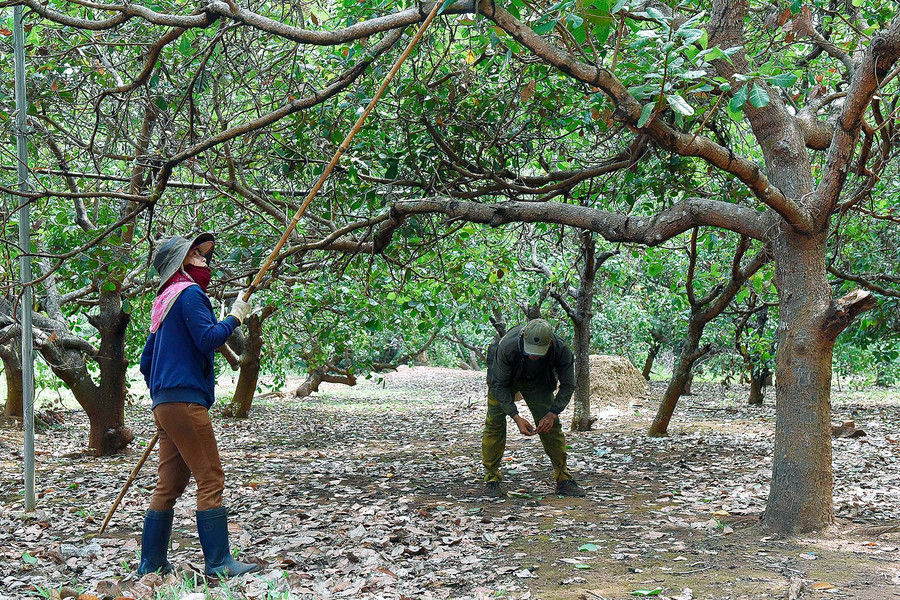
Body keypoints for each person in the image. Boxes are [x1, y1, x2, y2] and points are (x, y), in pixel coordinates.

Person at [137, 232, 259, 578]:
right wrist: (235, 317)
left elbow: (147, 362)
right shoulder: (189, 294)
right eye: (195, 253)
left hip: (167, 402)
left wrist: (164, 397)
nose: (204, 258)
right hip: (184, 401)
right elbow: (208, 339)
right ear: (180, 263)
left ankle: (152, 563)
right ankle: (219, 563)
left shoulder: (163, 302)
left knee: (170, 485)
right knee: (210, 478)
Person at [482, 318, 586, 497]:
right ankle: (492, 479)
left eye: (538, 353)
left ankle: (563, 478)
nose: (533, 356)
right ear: (523, 337)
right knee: (495, 424)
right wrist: (516, 417)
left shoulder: (561, 350)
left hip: (538, 382)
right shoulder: (507, 346)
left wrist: (552, 414)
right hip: (505, 381)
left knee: (551, 428)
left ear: (550, 343)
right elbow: (499, 385)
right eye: (530, 351)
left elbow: (568, 385)